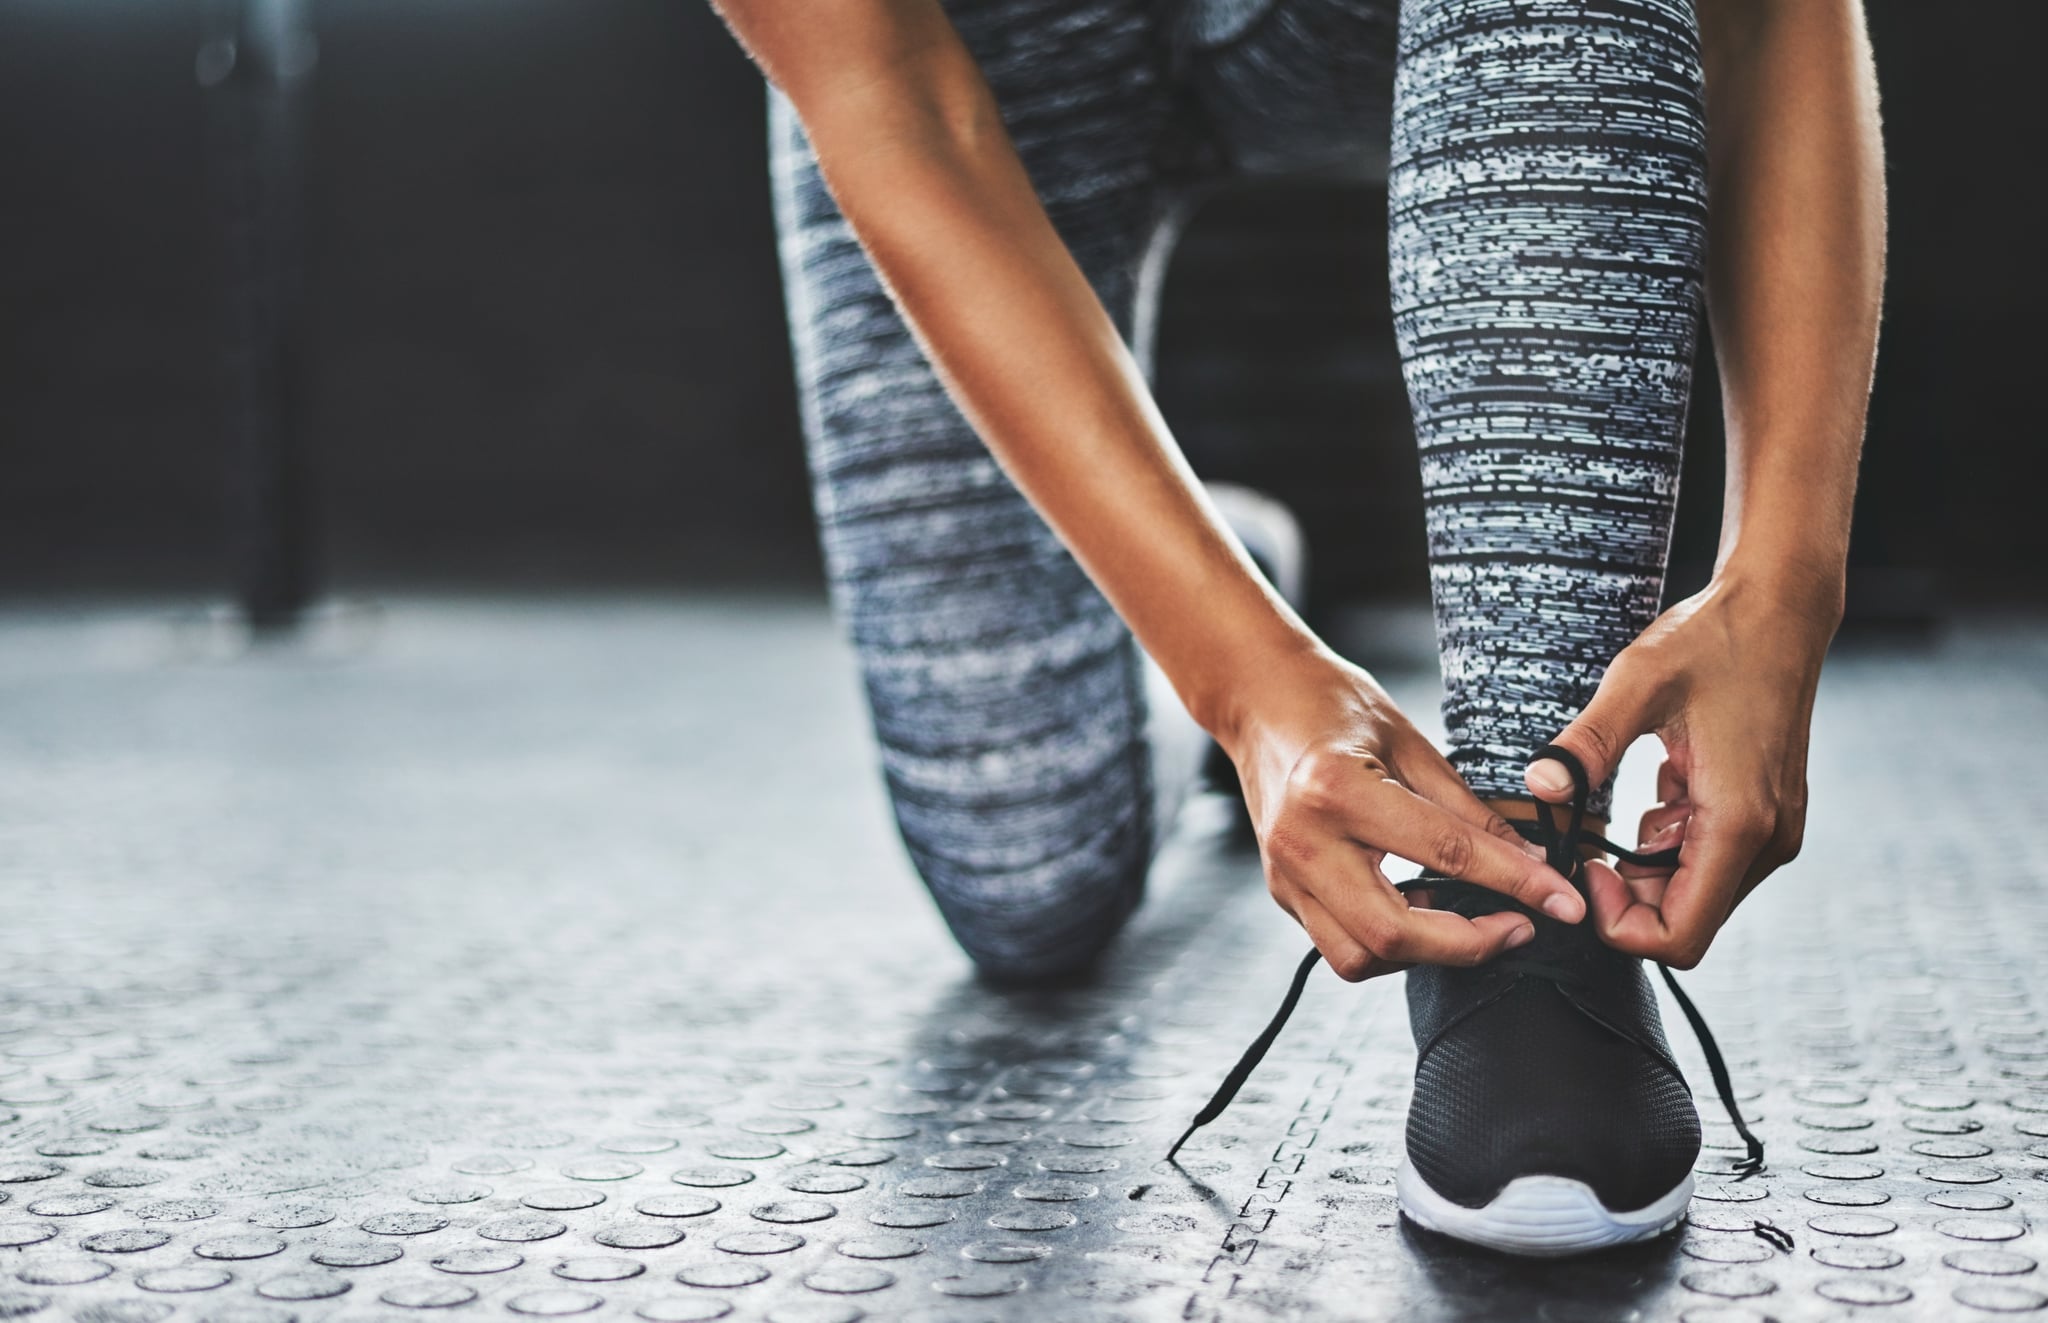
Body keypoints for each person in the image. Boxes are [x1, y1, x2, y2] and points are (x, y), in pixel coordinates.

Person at [712, 0, 1883, 1256]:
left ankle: (1532, 901)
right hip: (977, 51)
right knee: (1024, 890)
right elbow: (900, 104)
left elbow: (1765, 15)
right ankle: (1225, 579)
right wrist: (1238, 681)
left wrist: (1784, 585)